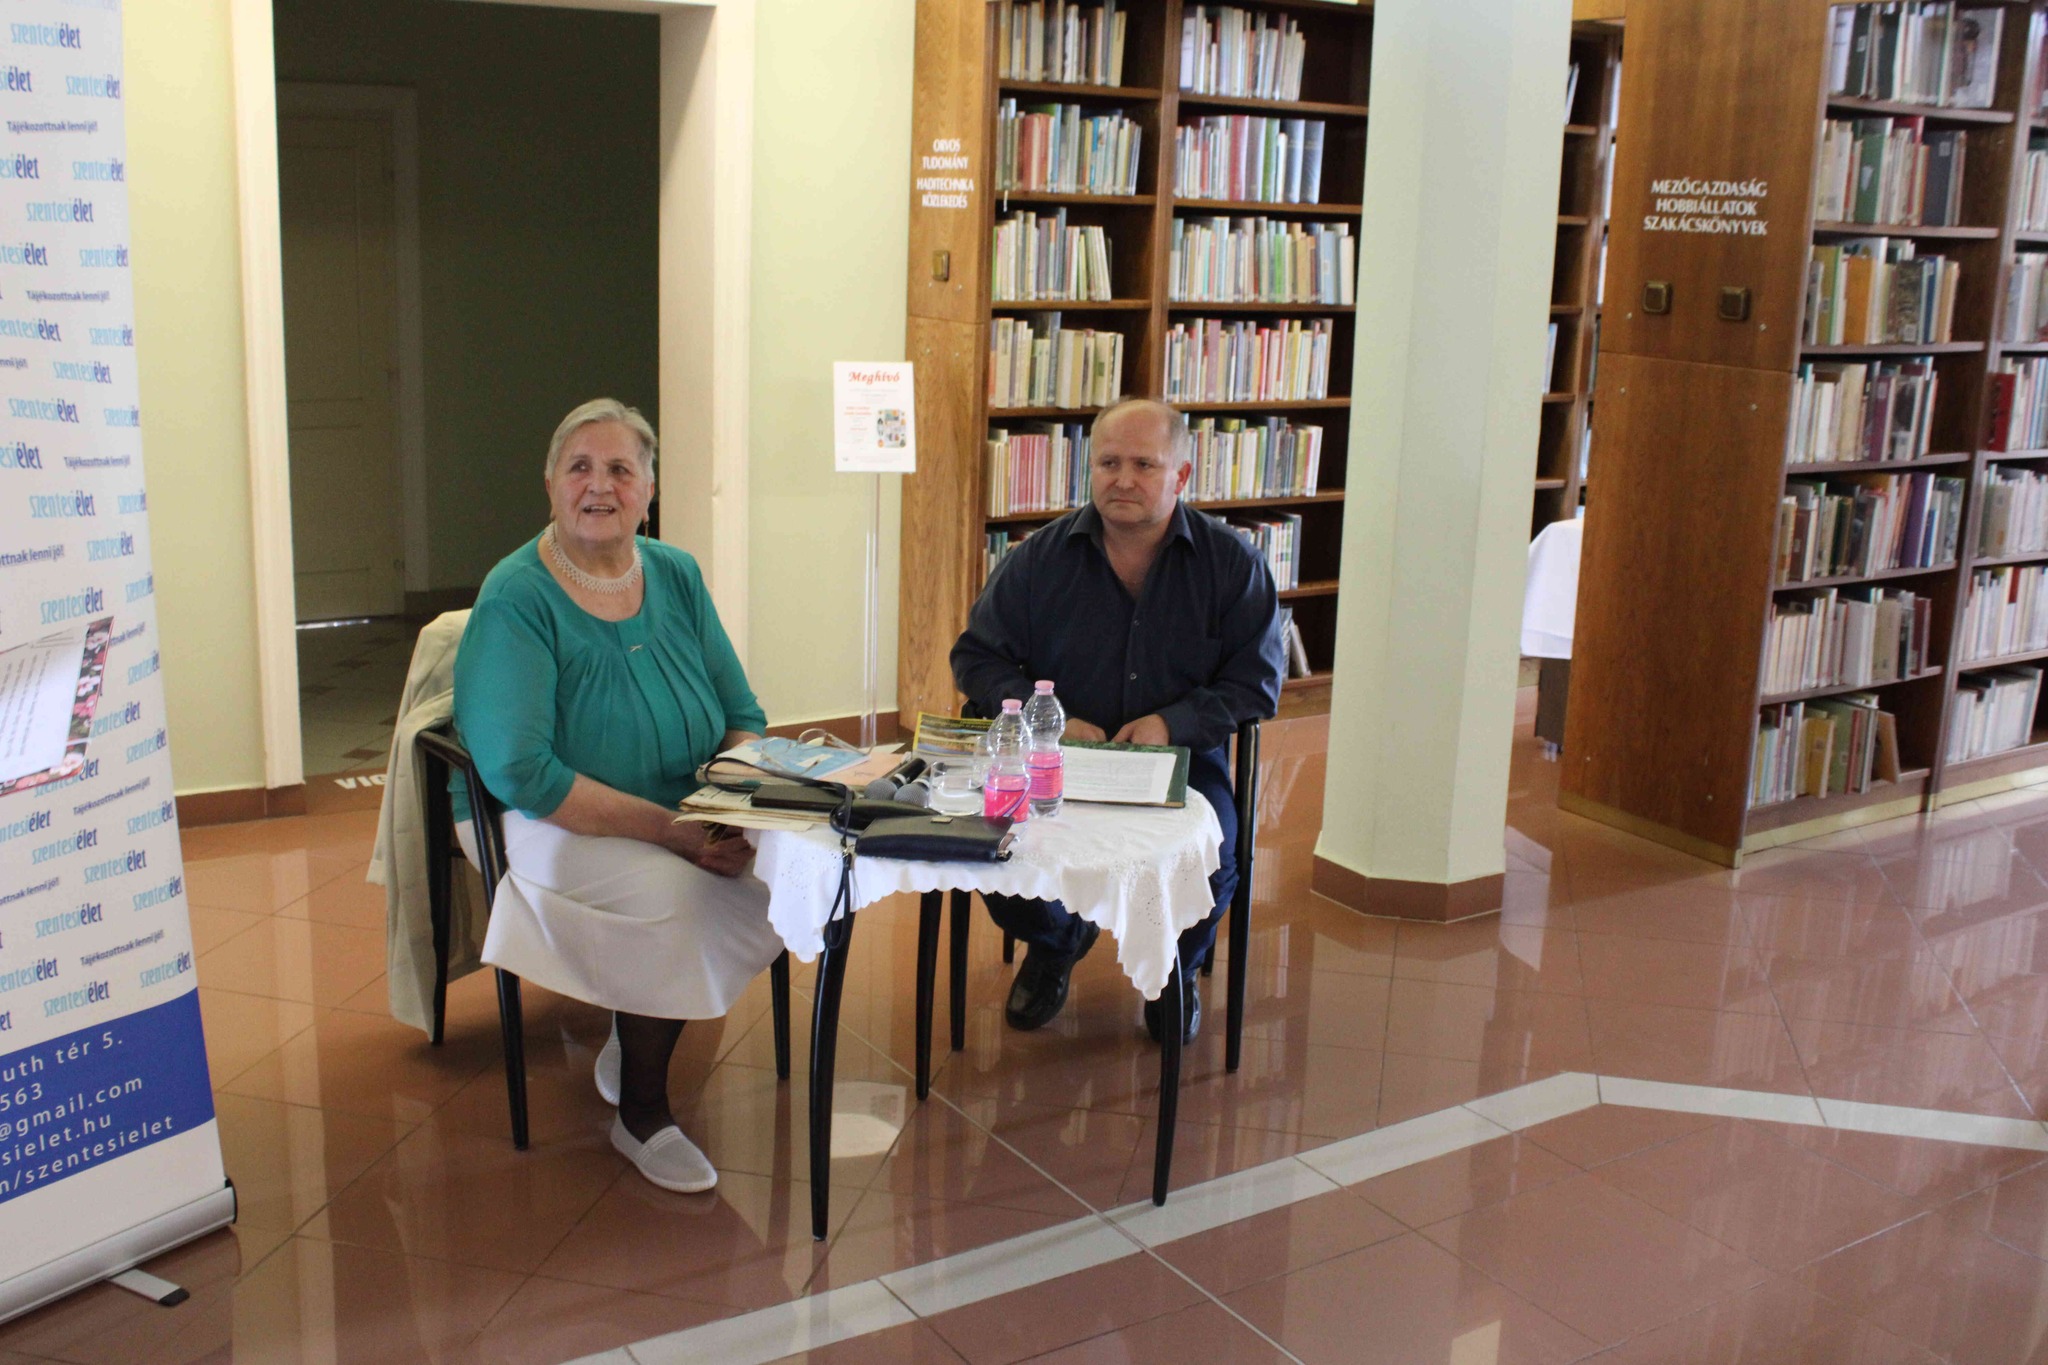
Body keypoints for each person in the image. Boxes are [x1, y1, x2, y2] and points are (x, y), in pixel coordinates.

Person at [453, 397, 782, 1194]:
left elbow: (743, 715)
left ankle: (638, 1014)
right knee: (684, 904)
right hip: (544, 815)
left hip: (686, 805)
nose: (599, 485)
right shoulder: (516, 594)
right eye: (580, 467)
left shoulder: (676, 573)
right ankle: (641, 1112)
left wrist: (726, 810)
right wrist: (674, 831)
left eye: (620, 469)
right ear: (550, 485)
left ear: (649, 490)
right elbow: (523, 771)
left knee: (799, 869)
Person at [950, 397, 1284, 1043]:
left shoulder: (1231, 563)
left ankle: (1175, 968)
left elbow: (1257, 681)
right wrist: (1049, 720)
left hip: (1179, 760)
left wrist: (1173, 723)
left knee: (1214, 858)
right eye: (1108, 463)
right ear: (1090, 467)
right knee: (997, 845)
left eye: (1143, 464)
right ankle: (1055, 943)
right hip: (1056, 755)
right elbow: (977, 656)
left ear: (1181, 475)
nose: (1123, 479)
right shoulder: (1039, 558)